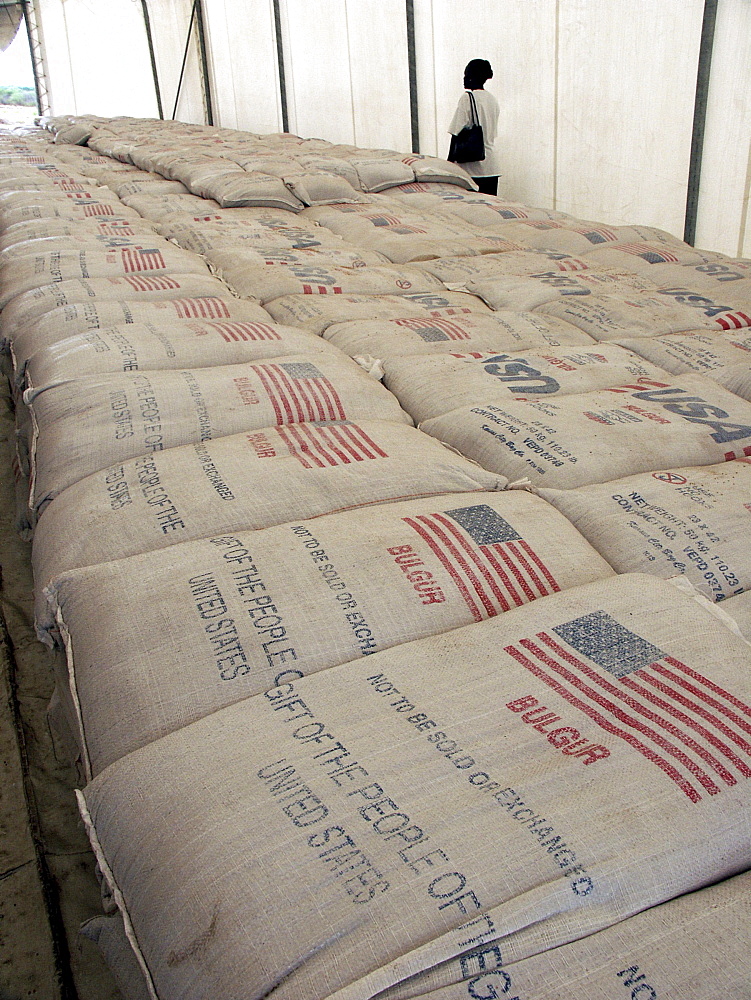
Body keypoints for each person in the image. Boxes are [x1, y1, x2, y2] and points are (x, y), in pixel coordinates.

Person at [448, 58, 500, 196]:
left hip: (470, 168)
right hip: (491, 167)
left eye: (466, 75)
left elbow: (456, 132)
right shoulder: (492, 99)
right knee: (489, 211)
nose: (464, 79)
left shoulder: (467, 98)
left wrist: (449, 165)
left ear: (473, 77)